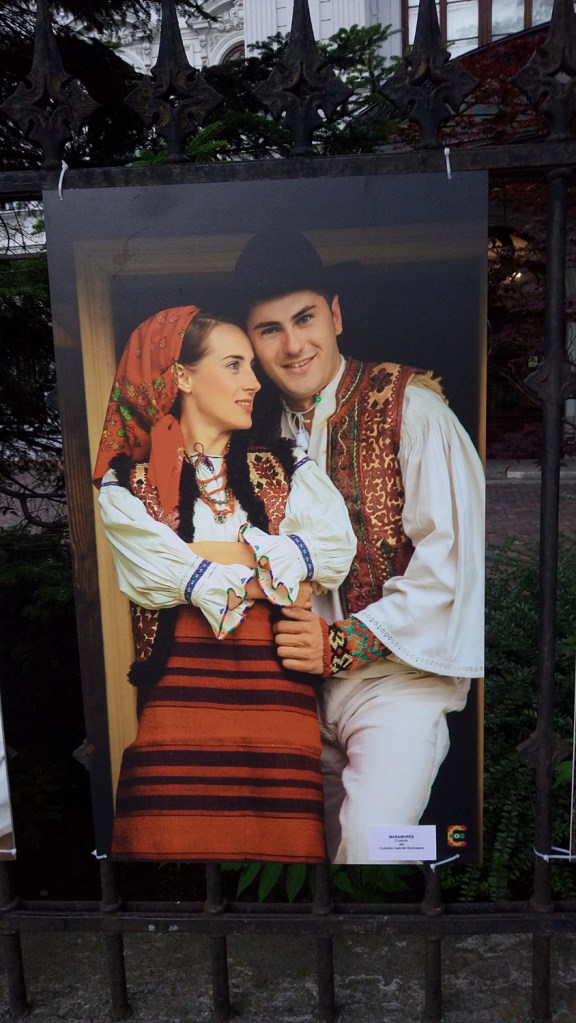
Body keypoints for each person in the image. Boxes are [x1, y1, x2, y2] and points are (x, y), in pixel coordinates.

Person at [232, 230, 485, 864]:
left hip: (394, 683)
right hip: (292, 692)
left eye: (306, 318)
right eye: (269, 330)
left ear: (336, 314)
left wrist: (340, 644)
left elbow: (449, 567)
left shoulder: (411, 408)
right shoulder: (250, 429)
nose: (293, 345)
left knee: (372, 853)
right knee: (298, 858)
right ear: (250, 342)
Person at [93, 305, 356, 862]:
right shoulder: (128, 483)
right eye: (234, 366)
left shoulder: (285, 464)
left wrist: (200, 560)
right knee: (168, 857)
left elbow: (332, 553)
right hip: (179, 706)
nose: (253, 382)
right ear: (182, 377)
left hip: (276, 705)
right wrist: (273, 575)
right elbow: (149, 576)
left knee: (286, 865)